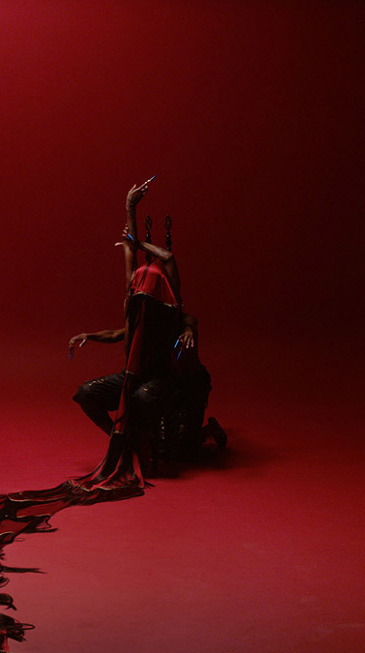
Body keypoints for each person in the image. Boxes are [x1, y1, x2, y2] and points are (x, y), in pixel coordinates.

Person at [70, 179, 223, 478]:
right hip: (134, 377)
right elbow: (120, 333)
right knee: (86, 393)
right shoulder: (133, 299)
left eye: (148, 287)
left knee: (180, 447)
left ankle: (206, 431)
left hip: (164, 379)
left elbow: (168, 261)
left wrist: (189, 330)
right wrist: (130, 207)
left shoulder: (170, 309)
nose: (142, 290)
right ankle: (121, 440)